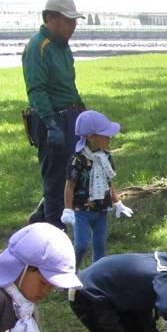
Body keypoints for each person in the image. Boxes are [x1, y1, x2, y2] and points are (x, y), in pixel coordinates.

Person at [24, 0, 87, 226]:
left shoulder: (63, 47)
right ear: (50, 18)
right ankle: (53, 231)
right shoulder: (38, 47)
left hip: (70, 117)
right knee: (55, 181)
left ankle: (42, 219)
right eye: (68, 20)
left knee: (72, 175)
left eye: (74, 21)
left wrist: (82, 112)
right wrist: (51, 124)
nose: (73, 26)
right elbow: (37, 90)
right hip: (51, 120)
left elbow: (68, 86)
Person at [62, 110, 132, 267]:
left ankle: (97, 274)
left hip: (101, 209)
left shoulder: (105, 157)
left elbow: (109, 181)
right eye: (105, 135)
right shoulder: (77, 160)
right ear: (90, 137)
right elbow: (70, 186)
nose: (109, 138)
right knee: (81, 245)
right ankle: (69, 272)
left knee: (100, 245)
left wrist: (117, 203)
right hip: (82, 211)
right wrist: (68, 209)